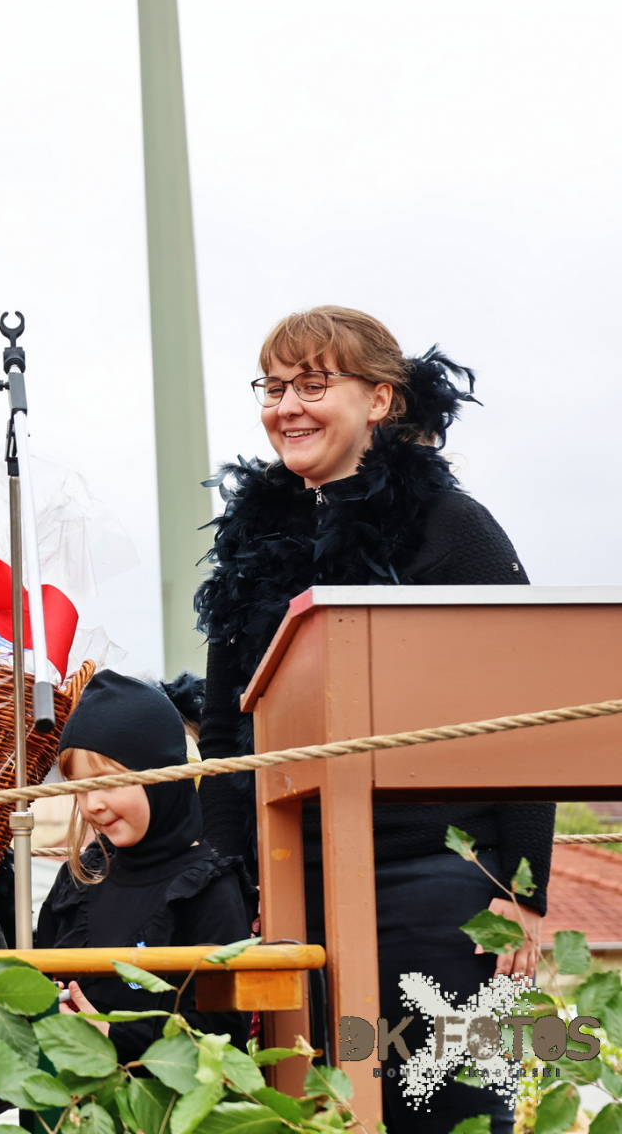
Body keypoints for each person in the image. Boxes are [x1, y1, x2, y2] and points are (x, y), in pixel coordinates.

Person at [195, 305, 547, 1133]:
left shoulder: (453, 525)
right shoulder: (250, 546)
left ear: (380, 400)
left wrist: (522, 890)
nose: (288, 406)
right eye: (273, 387)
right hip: (297, 889)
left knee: (455, 1113)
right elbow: (224, 732)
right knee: (308, 1115)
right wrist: (228, 887)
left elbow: (527, 710)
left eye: (314, 385)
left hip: (444, 885)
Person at [34, 670, 252, 1064]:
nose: (92, 805)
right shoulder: (80, 878)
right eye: (79, 788)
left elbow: (221, 1033)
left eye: (107, 782)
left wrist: (112, 1037)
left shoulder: (208, 888)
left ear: (162, 777)